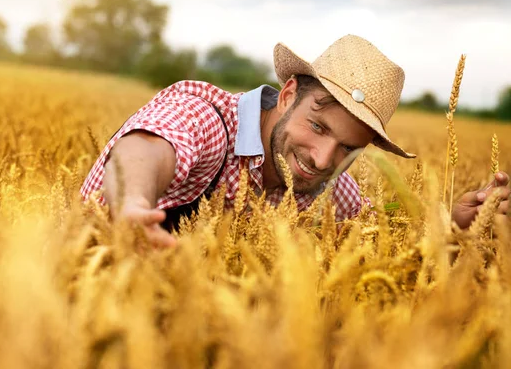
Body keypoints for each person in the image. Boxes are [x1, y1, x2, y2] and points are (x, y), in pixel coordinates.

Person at [81, 34, 509, 248]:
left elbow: (379, 224)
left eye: (348, 148)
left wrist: (450, 221)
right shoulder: (207, 116)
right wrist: (132, 204)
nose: (324, 160)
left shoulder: (334, 191)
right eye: (319, 127)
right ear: (288, 95)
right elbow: (149, 143)